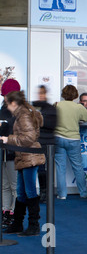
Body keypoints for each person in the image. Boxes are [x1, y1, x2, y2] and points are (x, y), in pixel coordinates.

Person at [1, 91, 46, 236]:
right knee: (21, 192)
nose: (7, 107)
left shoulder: (24, 115)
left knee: (29, 191)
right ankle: (18, 224)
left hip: (29, 156)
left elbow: (29, 138)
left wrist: (9, 139)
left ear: (14, 103)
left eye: (8, 103)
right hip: (24, 157)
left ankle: (33, 225)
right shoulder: (23, 114)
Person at [54, 85, 87, 199]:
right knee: (78, 167)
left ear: (63, 94)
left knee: (60, 168)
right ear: (75, 95)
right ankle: (83, 193)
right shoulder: (78, 107)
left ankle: (62, 194)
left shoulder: (57, 105)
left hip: (59, 138)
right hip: (73, 139)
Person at [0, 79, 20, 229]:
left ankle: (13, 214)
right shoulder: (4, 109)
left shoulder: (18, 111)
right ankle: (6, 212)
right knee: (5, 185)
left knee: (14, 186)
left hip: (13, 153)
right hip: (4, 154)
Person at [32, 85, 57, 203]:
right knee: (40, 169)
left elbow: (50, 125)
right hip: (39, 143)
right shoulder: (39, 108)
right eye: (39, 93)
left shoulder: (51, 109)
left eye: (42, 93)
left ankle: (47, 193)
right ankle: (43, 192)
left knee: (46, 170)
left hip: (48, 143)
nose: (40, 95)